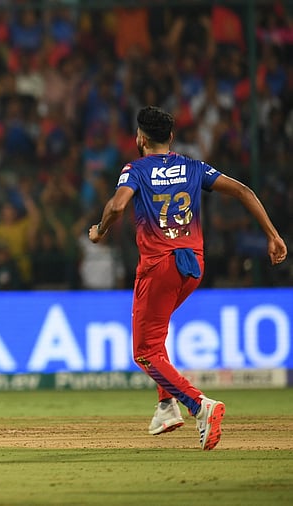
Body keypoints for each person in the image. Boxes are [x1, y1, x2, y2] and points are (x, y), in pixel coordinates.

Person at [88, 106, 287, 451]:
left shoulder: (135, 169)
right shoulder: (194, 167)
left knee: (144, 351)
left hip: (159, 265)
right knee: (156, 333)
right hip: (193, 265)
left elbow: (118, 206)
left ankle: (199, 405)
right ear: (171, 138)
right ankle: (166, 406)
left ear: (141, 139)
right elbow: (244, 192)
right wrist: (273, 234)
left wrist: (99, 230)